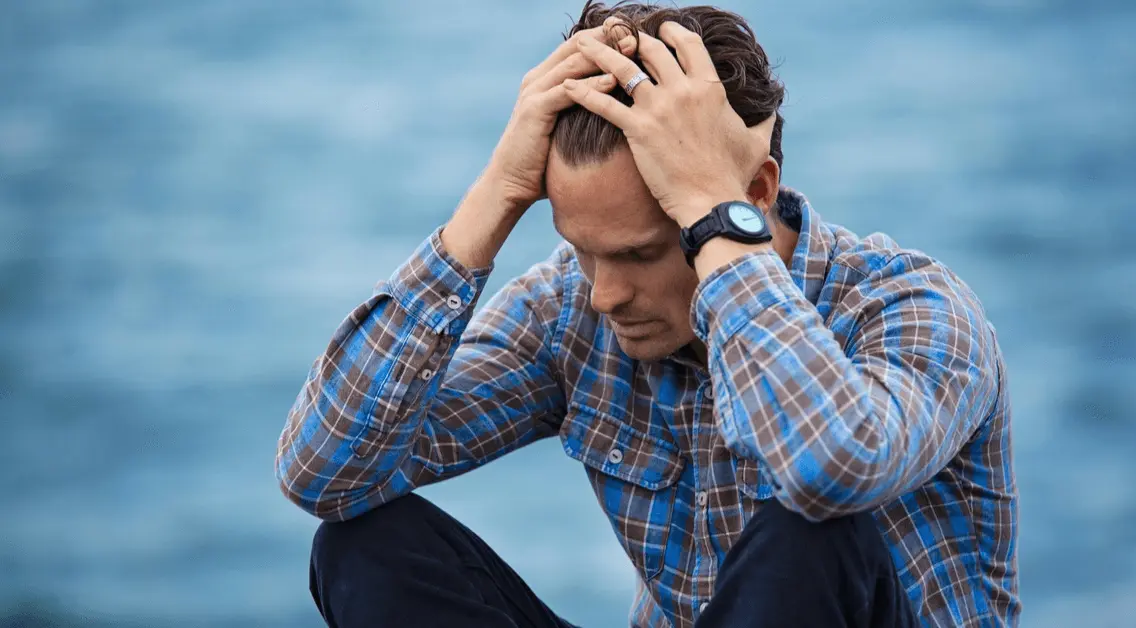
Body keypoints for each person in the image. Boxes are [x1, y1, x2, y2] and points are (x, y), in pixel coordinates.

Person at [275, 2, 1019, 627]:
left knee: (810, 534)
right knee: (360, 544)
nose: (603, 293)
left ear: (754, 194)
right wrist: (496, 195)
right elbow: (324, 474)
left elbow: (829, 469)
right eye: (582, 251)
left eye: (635, 256)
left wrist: (709, 214)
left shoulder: (913, 308)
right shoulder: (572, 309)